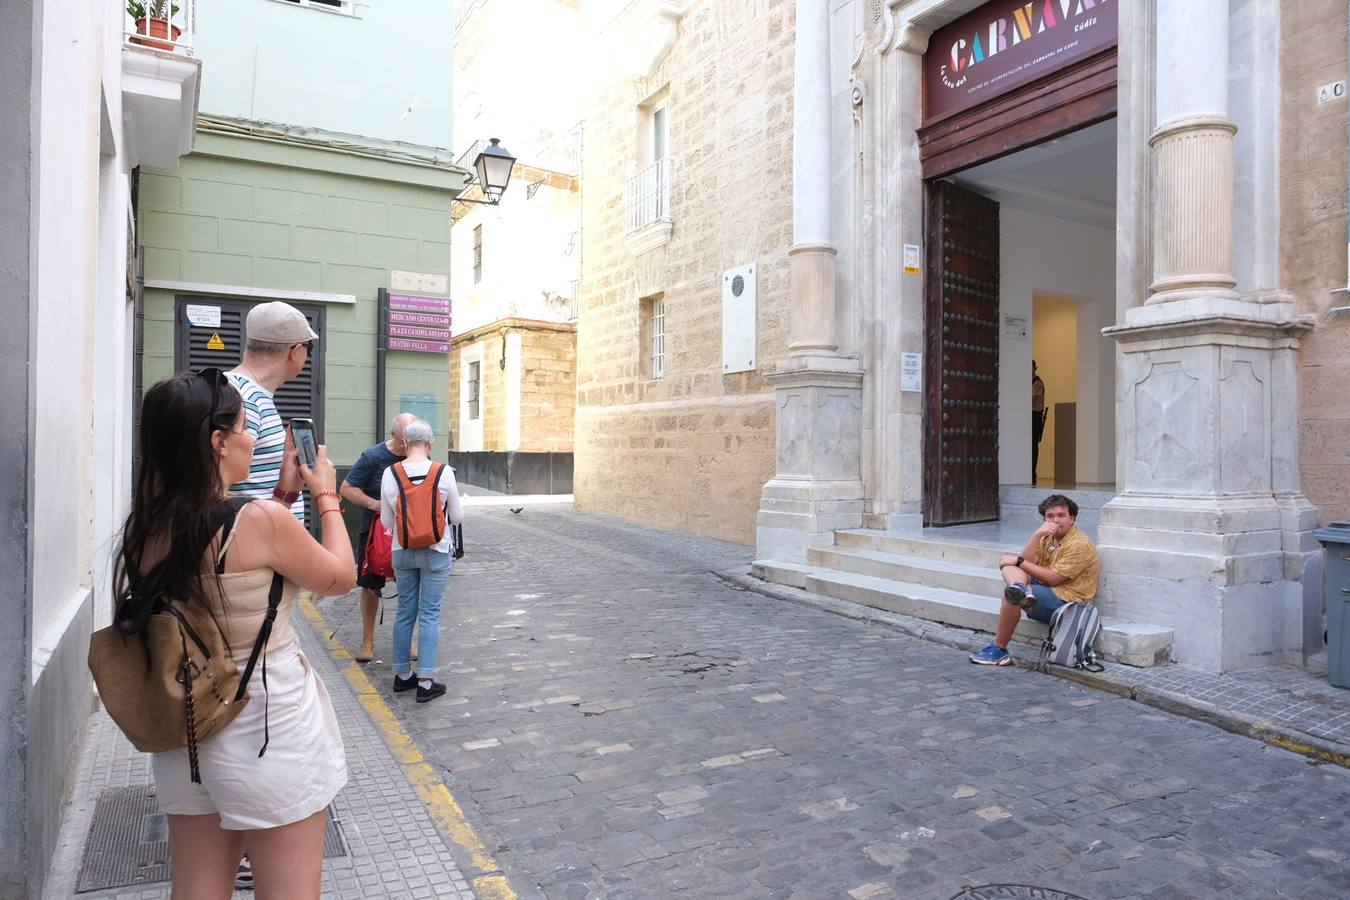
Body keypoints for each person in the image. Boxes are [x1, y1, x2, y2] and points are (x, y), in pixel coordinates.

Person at [114, 369, 356, 898]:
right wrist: (326, 497)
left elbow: (230, 565)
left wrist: (281, 498)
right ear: (218, 442)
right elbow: (340, 576)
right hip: (265, 733)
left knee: (196, 889)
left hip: (189, 733)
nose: (253, 439)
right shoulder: (259, 521)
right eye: (245, 428)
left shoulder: (147, 527)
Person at [380, 419, 464, 703]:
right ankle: (426, 681)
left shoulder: (390, 473)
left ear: (404, 443)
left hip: (401, 550)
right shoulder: (443, 472)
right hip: (436, 550)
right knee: (429, 614)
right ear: (430, 443)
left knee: (405, 611)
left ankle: (403, 676)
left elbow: (386, 520)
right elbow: (458, 515)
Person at [969, 493, 1099, 667]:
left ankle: (999, 650)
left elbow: (1053, 579)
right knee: (1008, 565)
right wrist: (1037, 535)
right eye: (1050, 516)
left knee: (1011, 594)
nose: (1055, 520)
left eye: (1061, 515)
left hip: (1069, 603)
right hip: (1048, 590)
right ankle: (1020, 588)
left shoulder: (1079, 544)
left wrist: (1020, 562)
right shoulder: (1047, 536)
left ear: (1072, 519)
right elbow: (1027, 560)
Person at [227, 301, 319, 520]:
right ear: (295, 351)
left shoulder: (245, 393)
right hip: (252, 543)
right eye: (309, 347)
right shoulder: (242, 398)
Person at [340, 412, 417, 662]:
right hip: (375, 533)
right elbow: (347, 488)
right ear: (394, 435)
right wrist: (376, 505)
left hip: (409, 532)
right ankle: (367, 639)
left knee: (410, 585)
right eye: (405, 438)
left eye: (413, 438)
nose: (409, 444)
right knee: (371, 586)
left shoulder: (417, 455)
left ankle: (408, 639)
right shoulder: (373, 457)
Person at [1031, 360, 1047, 485]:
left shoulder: (1036, 383)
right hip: (1029, 416)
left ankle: (1032, 473)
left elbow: (1034, 398)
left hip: (1034, 416)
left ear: (1035, 368)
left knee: (1033, 445)